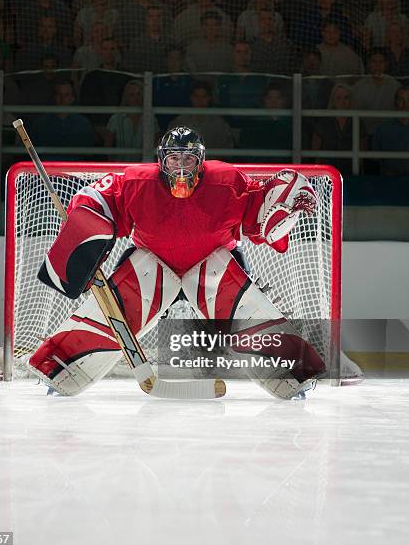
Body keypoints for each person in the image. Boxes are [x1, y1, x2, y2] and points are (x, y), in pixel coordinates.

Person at [28, 125, 334, 399]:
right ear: (162, 160)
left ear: (200, 161)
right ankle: (60, 368)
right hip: (152, 262)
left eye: (188, 159)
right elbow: (100, 197)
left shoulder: (227, 180)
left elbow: (259, 215)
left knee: (246, 316)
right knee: (115, 311)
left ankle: (293, 376)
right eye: (175, 159)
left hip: (212, 263)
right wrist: (87, 223)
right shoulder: (138, 182)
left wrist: (284, 203)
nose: (181, 166)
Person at [311, 83, 365, 175]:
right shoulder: (324, 122)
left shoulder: (357, 122)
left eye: (346, 98)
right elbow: (315, 150)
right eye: (338, 98)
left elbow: (363, 151)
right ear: (333, 101)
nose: (343, 102)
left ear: (351, 100)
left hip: (351, 172)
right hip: (327, 174)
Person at [30, 80, 95, 154]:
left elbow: (89, 152)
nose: (62, 99)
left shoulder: (84, 124)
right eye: (59, 94)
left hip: (74, 164)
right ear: (54, 97)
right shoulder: (40, 124)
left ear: (72, 98)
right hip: (47, 164)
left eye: (66, 95)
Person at [169, 81, 234, 149]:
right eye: (196, 96)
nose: (200, 100)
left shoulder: (219, 124)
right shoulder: (179, 122)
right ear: (191, 98)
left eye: (204, 96)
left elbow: (227, 148)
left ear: (209, 98)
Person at [104, 80, 160, 158]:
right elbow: (107, 146)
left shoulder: (151, 120)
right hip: (121, 166)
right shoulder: (116, 119)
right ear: (126, 98)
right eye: (131, 95)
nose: (136, 98)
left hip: (143, 167)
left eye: (138, 94)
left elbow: (156, 147)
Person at [353, 48, 401, 135]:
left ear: (386, 64)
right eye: (374, 62)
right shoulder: (359, 86)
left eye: (381, 62)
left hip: (388, 133)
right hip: (365, 133)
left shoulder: (395, 86)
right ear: (368, 64)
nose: (377, 66)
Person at [373, 85, 409, 174]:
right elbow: (375, 159)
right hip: (390, 181)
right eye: (401, 100)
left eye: (408, 100)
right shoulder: (382, 128)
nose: (406, 104)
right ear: (395, 102)